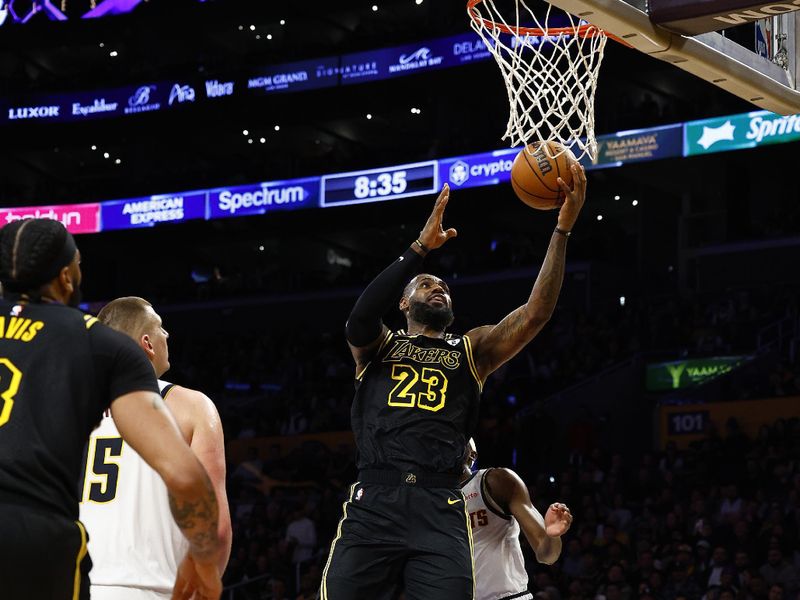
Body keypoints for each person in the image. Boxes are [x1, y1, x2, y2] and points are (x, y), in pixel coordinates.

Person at [322, 165, 587, 599]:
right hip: (376, 497)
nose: (438, 287)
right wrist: (418, 250)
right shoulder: (378, 347)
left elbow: (535, 313)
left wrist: (561, 230)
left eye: (444, 286)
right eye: (426, 284)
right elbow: (360, 317)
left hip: (440, 500)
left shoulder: (471, 349)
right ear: (404, 302)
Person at [0, 219, 221, 600]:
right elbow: (186, 477)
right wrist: (203, 561)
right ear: (67, 276)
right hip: (39, 538)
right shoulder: (100, 345)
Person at [80, 296, 232, 599]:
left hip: (74, 585)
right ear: (147, 343)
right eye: (160, 327)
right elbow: (216, 528)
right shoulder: (191, 406)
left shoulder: (67, 408)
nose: (167, 335)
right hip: (157, 589)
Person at [460, 440, 573, 600]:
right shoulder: (428, 500)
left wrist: (553, 535)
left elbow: (547, 556)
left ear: (472, 454)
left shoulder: (495, 481)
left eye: (458, 440)